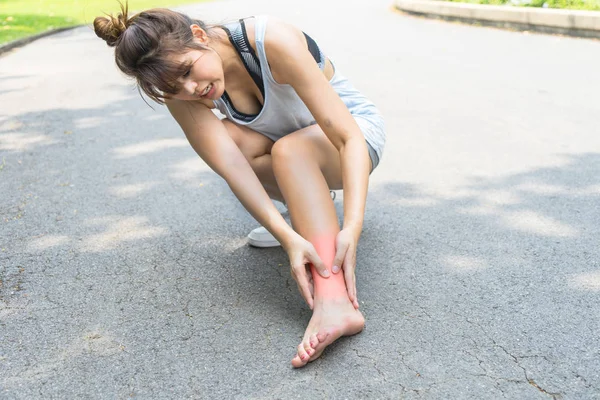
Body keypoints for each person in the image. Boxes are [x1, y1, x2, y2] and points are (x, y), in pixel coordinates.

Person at [94, 2, 385, 368]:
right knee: (244, 143)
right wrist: (287, 236)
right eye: (174, 85)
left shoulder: (270, 40)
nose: (191, 88)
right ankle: (308, 208)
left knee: (291, 152)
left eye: (187, 70)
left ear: (199, 36)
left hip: (354, 139)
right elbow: (233, 169)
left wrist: (352, 226)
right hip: (290, 147)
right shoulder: (180, 90)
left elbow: (348, 139)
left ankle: (335, 303)